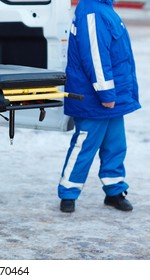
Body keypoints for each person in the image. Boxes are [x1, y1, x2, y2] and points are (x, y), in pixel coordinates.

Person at [57, 0, 141, 213]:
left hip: (113, 96)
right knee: (84, 146)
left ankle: (114, 191)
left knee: (115, 145)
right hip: (95, 98)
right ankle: (68, 192)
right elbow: (95, 57)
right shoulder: (92, 10)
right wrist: (105, 93)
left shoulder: (103, 8)